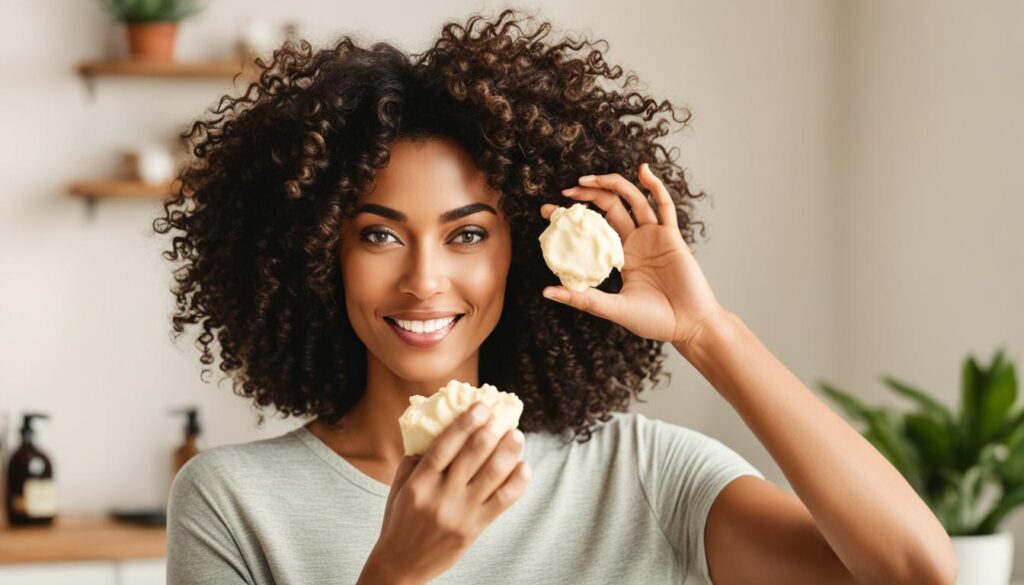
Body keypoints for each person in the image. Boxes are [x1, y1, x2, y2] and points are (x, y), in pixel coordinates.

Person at [153, 8, 956, 585]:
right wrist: (396, 571)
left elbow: (914, 570)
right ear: (316, 250)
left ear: (522, 254)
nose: (425, 279)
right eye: (380, 234)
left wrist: (707, 330)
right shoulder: (234, 503)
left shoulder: (639, 474)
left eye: (467, 234)